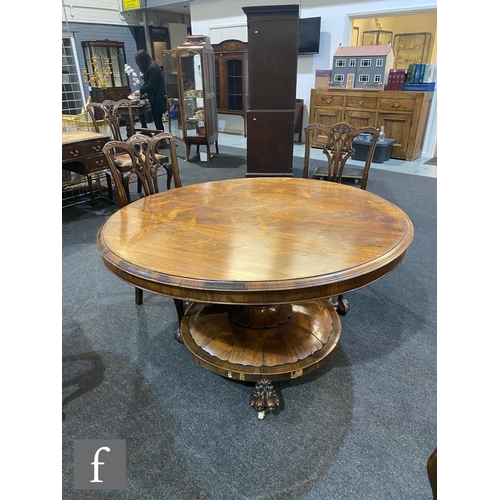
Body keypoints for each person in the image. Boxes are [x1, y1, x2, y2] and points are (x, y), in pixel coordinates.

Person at [134, 50, 167, 131]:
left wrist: (140, 91)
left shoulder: (152, 68)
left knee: (157, 120)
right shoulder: (151, 68)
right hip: (156, 97)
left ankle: (162, 139)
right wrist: (140, 90)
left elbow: (151, 85)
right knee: (157, 120)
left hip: (158, 97)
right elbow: (147, 83)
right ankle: (161, 138)